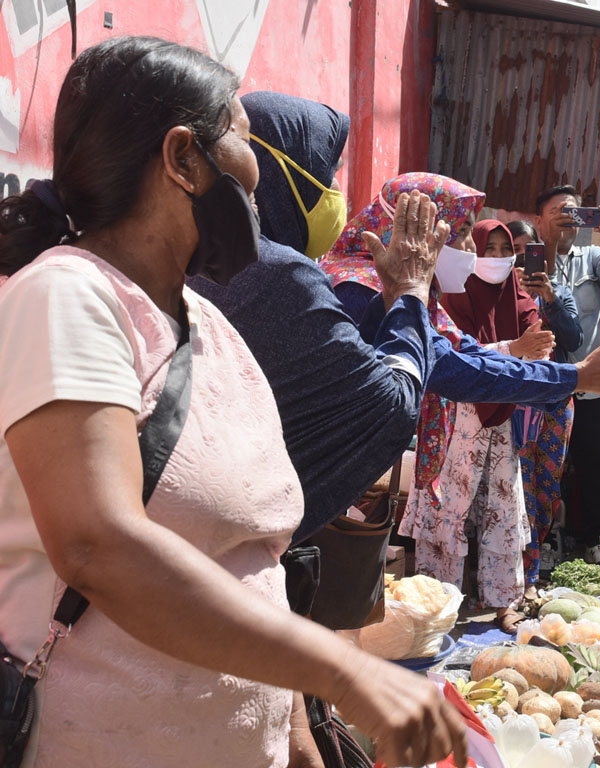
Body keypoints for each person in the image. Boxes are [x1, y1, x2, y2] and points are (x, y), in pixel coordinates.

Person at [0, 37, 466, 768]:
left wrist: (293, 735)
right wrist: (339, 667)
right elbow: (97, 543)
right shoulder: (66, 296)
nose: (257, 175)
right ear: (183, 159)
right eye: (243, 138)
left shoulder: (208, 324)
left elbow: (252, 560)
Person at [319, 174, 600, 588]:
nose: (468, 250)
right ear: (415, 230)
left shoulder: (408, 288)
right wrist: (575, 376)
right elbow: (456, 370)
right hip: (324, 471)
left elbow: (466, 352)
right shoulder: (364, 287)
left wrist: (573, 375)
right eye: (459, 233)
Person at [190, 91, 438, 544]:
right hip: (228, 553)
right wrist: (410, 293)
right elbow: (387, 407)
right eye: (329, 170)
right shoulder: (280, 275)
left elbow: (332, 365)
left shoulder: (196, 256)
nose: (335, 190)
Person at [399, 220, 547, 630]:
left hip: (501, 415)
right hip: (459, 413)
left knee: (503, 504)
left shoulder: (519, 298)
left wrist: (533, 349)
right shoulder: (454, 294)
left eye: (505, 249)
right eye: (491, 248)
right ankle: (439, 601)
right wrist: (511, 350)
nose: (498, 257)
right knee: (452, 504)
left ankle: (504, 601)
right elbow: (453, 352)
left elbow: (539, 341)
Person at [535, 184, 600, 568]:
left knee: (595, 461)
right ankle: (545, 539)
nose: (567, 218)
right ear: (539, 220)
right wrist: (547, 246)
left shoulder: (591, 256)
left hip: (589, 382)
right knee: (545, 462)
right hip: (543, 381)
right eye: (558, 211)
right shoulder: (528, 255)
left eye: (574, 212)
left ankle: (598, 538)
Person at [507, 218, 582, 594]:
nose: (522, 260)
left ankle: (532, 565)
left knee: (547, 489)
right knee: (517, 488)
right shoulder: (499, 293)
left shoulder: (560, 294)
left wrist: (550, 299)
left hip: (554, 403)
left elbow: (573, 338)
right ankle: (523, 574)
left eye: (529, 251)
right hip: (515, 405)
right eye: (514, 251)